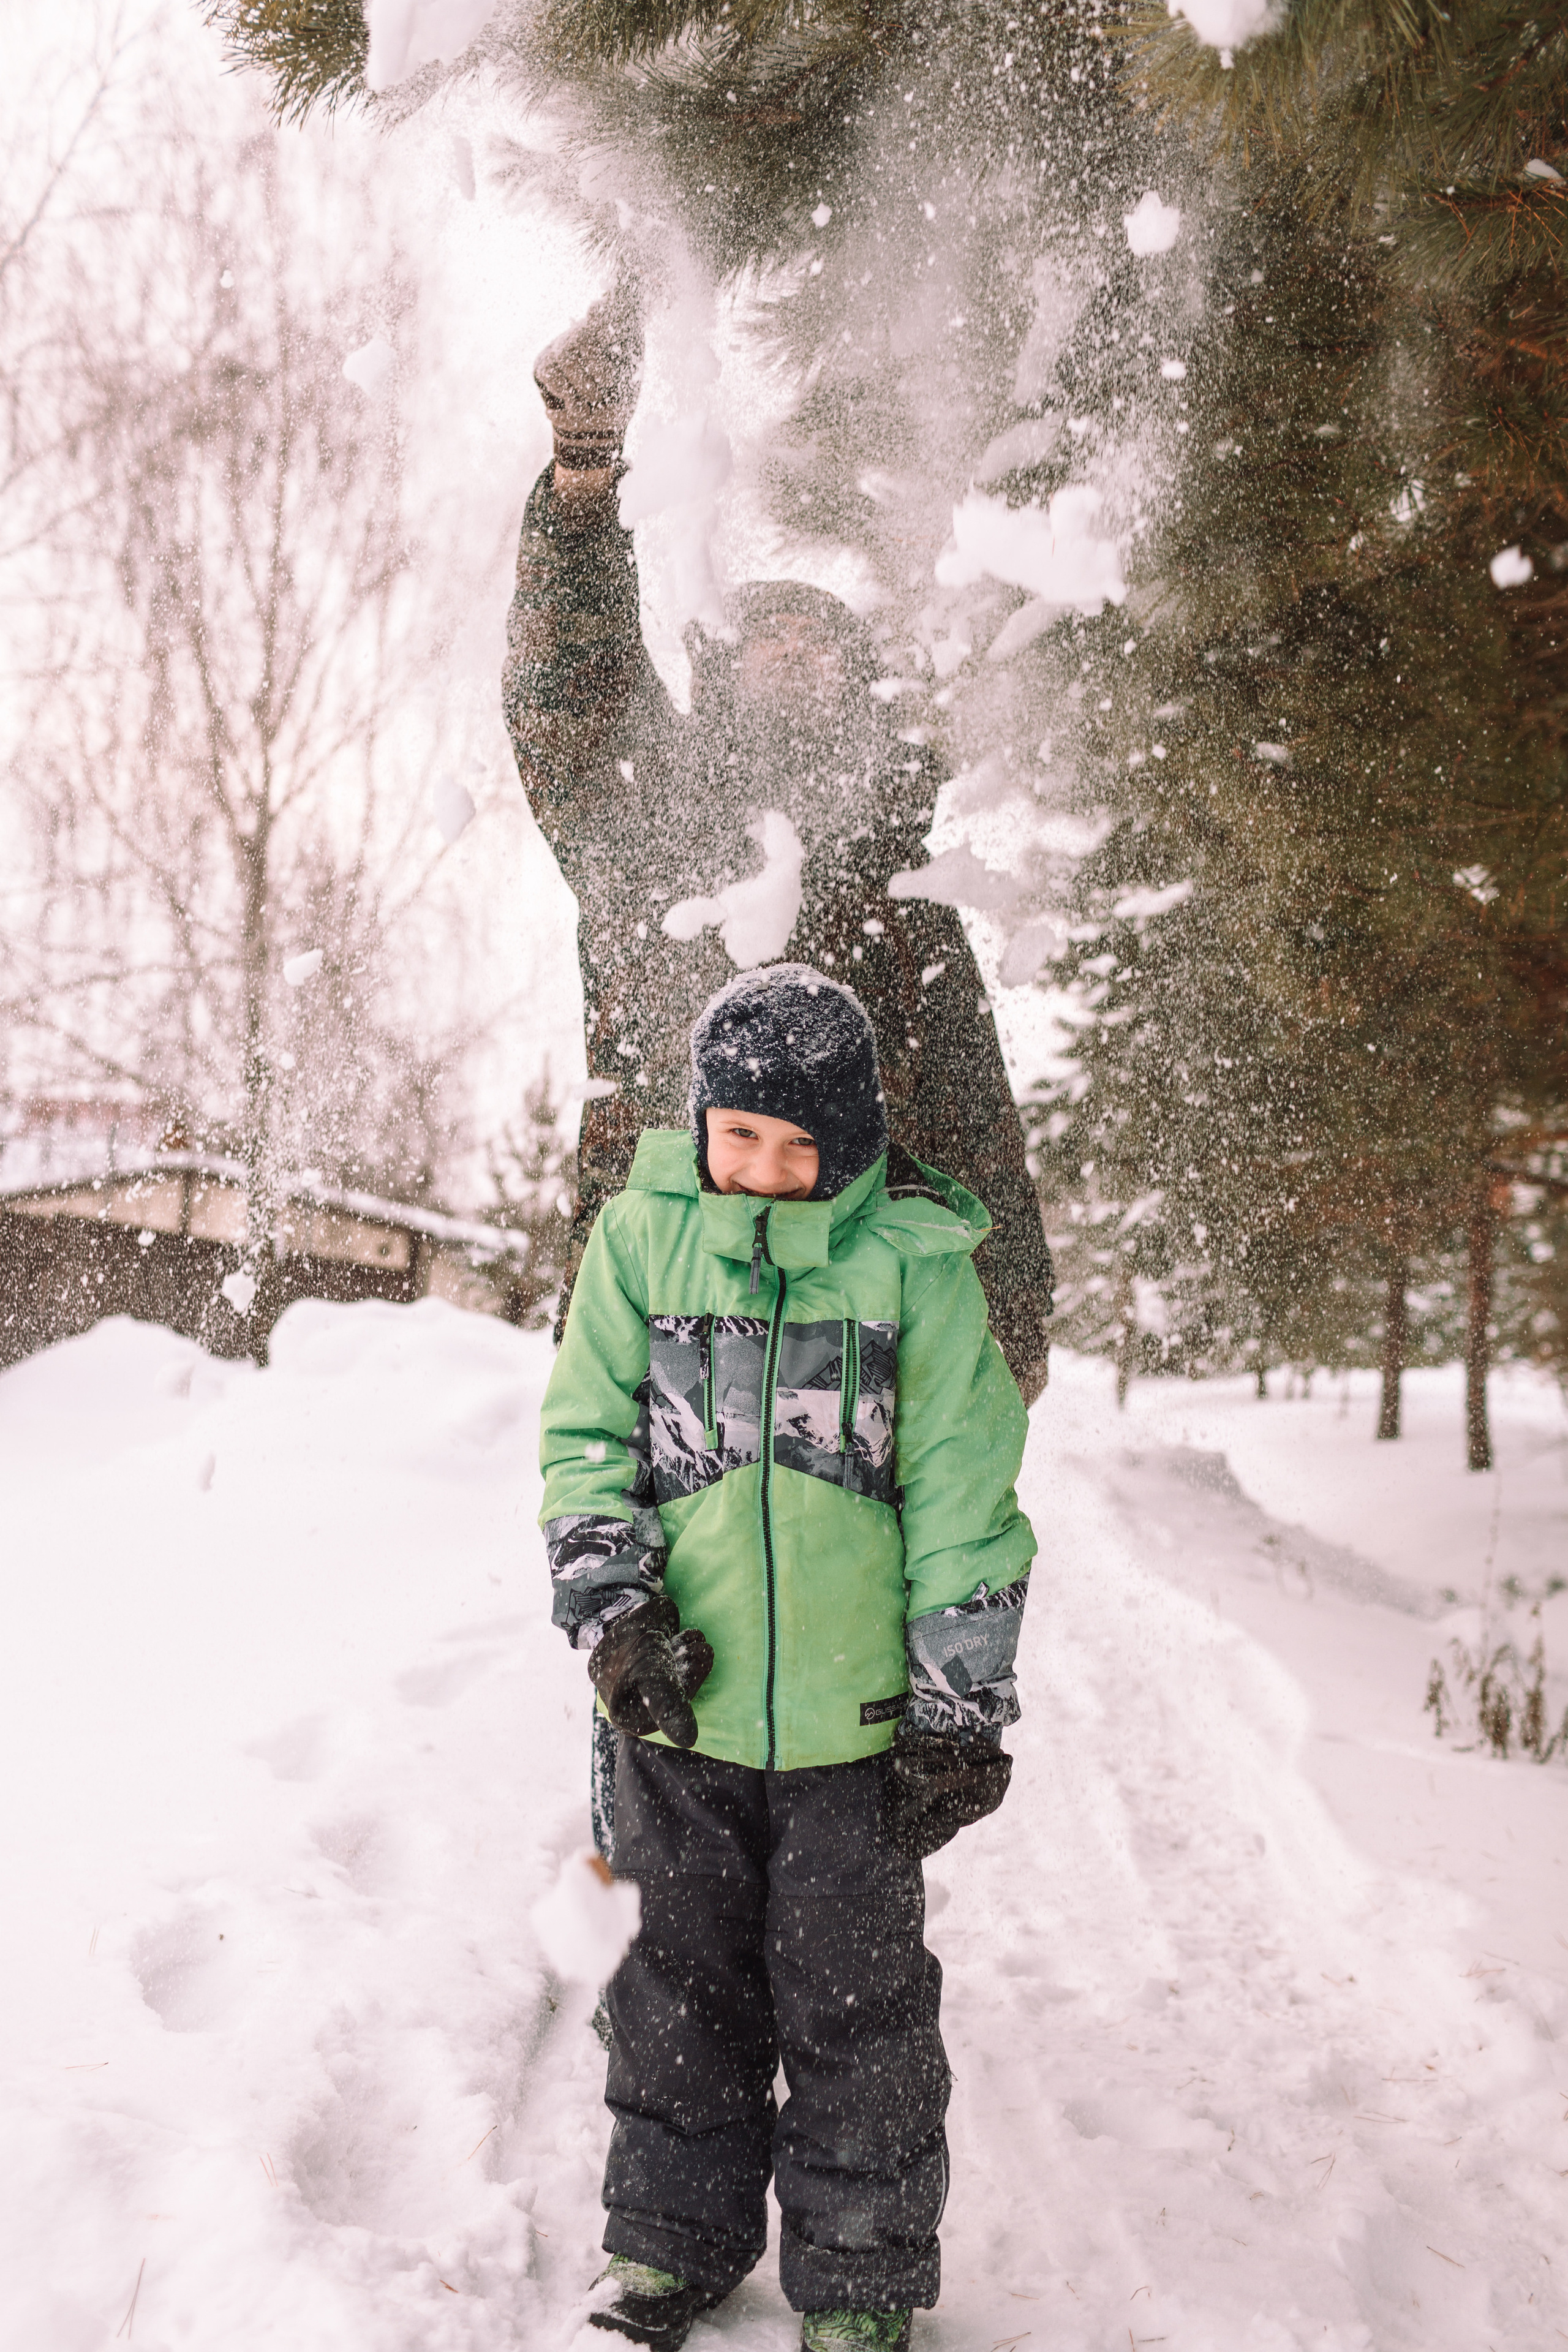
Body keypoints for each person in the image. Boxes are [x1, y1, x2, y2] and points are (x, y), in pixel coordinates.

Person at [537, 965, 1036, 2352]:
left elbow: (962, 1502)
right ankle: (668, 2244)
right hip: (676, 1719)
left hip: (852, 1735)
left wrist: (956, 1706)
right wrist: (615, 1619)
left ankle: (862, 2273)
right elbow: (585, 1445)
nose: (760, 1170)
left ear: (853, 1146)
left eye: (797, 1144)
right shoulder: (638, 1243)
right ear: (701, 1122)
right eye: (737, 1134)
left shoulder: (914, 1273)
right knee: (675, 1993)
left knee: (855, 2012)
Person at [502, 285, 1054, 1399]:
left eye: (822, 643)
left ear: (858, 690)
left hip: (868, 1333)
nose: (796, 653)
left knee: (845, 1566)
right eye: (768, 637)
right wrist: (583, 468)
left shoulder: (908, 891)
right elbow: (573, 683)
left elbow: (972, 1106)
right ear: (717, 673)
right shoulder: (647, 834)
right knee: (648, 1568)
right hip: (660, 1313)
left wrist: (1017, 1308)